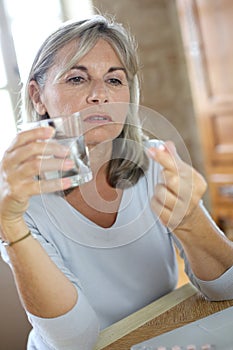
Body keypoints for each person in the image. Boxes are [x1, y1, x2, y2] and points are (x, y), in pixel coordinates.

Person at [0, 14, 233, 350]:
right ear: (38, 96)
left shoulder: (156, 163)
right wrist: (8, 223)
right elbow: (74, 341)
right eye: (77, 79)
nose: (100, 94)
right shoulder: (19, 198)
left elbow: (226, 289)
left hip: (162, 335)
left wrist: (191, 218)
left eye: (114, 80)